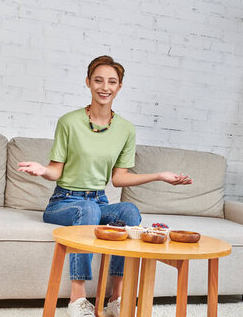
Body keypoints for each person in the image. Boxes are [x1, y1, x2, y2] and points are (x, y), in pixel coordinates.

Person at [17, 55, 192, 317]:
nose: (104, 87)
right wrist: (43, 170)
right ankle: (78, 300)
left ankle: (116, 298)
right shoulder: (69, 122)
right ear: (88, 82)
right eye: (98, 80)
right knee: (88, 210)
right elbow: (55, 170)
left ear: (119, 87)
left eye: (112, 81)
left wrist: (159, 175)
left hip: (99, 201)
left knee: (129, 211)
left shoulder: (126, 130)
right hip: (64, 202)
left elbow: (118, 179)